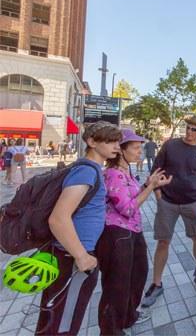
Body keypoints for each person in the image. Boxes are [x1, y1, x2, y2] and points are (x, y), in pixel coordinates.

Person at [35, 121, 122, 335]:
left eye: (118, 141)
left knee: (63, 319)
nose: (117, 146)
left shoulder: (91, 170)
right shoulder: (86, 171)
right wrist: (82, 256)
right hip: (71, 259)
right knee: (62, 325)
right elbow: (58, 218)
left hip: (72, 257)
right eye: (110, 141)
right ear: (91, 141)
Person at [96, 129, 172, 335]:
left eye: (140, 148)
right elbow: (128, 209)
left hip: (132, 233)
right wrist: (151, 187)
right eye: (136, 148)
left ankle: (129, 316)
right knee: (117, 285)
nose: (140, 152)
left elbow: (132, 195)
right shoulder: (112, 174)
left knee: (137, 275)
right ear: (121, 151)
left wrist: (149, 183)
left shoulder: (125, 172)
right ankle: (111, 329)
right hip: (117, 236)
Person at [142, 116, 196, 307]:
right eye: (188, 128)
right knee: (163, 241)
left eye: (194, 130)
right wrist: (158, 196)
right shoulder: (170, 145)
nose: (189, 132)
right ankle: (156, 284)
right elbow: (156, 169)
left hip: (192, 203)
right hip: (167, 202)